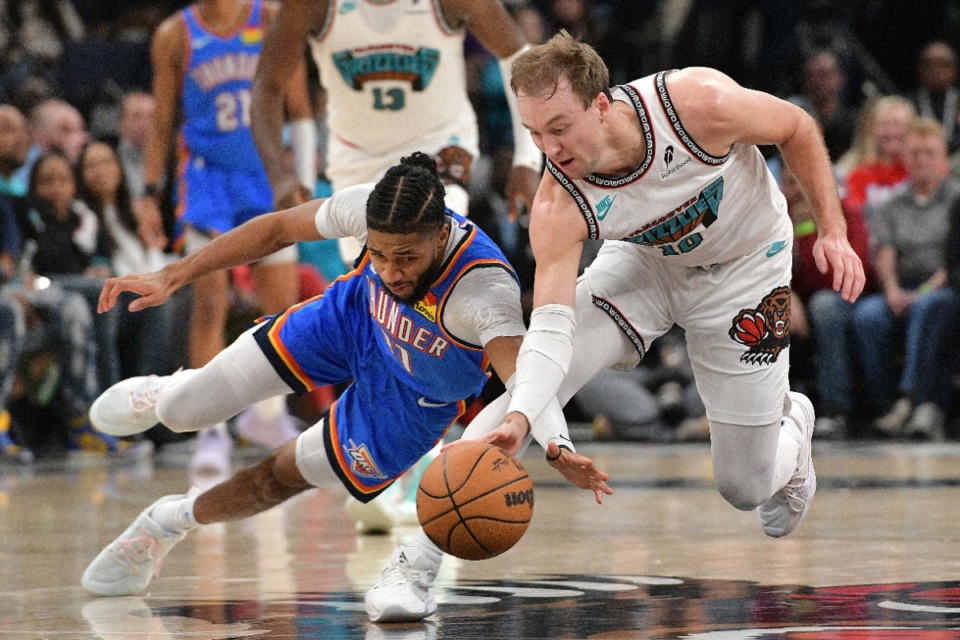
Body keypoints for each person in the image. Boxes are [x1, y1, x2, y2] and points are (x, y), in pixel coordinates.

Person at [360, 31, 867, 624]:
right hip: (645, 267)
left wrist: (832, 231)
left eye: (561, 127)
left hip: (745, 269)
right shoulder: (558, 201)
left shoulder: (695, 103)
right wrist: (526, 416)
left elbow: (798, 128)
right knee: (526, 386)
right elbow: (549, 331)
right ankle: (413, 566)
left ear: (602, 104)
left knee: (745, 487)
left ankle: (794, 427)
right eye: (535, 135)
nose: (551, 148)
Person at [80, 154, 609, 618]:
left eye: (407, 257)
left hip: (409, 401)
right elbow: (275, 231)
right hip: (351, 320)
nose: (391, 270)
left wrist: (557, 446)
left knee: (276, 479)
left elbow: (527, 376)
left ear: (441, 234)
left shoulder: (484, 289)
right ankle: (168, 393)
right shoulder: (367, 209)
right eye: (378, 254)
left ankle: (166, 522)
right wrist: (174, 274)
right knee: (186, 411)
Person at [249, 0, 545, 533]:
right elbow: (267, 88)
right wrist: (280, 174)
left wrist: (527, 158)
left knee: (428, 313)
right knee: (380, 330)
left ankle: (424, 460)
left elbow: (522, 60)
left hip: (442, 165)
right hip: (356, 176)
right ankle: (395, 460)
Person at [136, 0, 316, 475]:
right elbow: (161, 121)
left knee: (281, 312)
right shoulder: (176, 33)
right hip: (207, 181)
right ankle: (210, 430)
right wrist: (149, 192)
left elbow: (298, 106)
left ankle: (268, 418)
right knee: (210, 301)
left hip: (266, 176)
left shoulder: (273, 17)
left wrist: (307, 177)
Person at [850, 118, 960, 440]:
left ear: (942, 157)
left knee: (930, 307)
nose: (921, 160)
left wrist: (923, 292)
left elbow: (954, 260)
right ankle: (885, 405)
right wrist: (892, 290)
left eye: (929, 152)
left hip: (944, 286)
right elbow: (885, 250)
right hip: (902, 284)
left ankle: (913, 399)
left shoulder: (956, 199)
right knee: (867, 317)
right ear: (905, 158)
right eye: (914, 153)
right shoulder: (891, 203)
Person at [782, 163, 873, 439]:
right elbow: (764, 265)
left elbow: (850, 270)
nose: (794, 191)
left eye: (800, 183)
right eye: (788, 183)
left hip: (849, 293)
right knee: (772, 309)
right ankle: (777, 408)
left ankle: (836, 409)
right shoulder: (778, 212)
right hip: (801, 297)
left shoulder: (844, 210)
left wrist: (808, 233)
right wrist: (787, 295)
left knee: (823, 307)